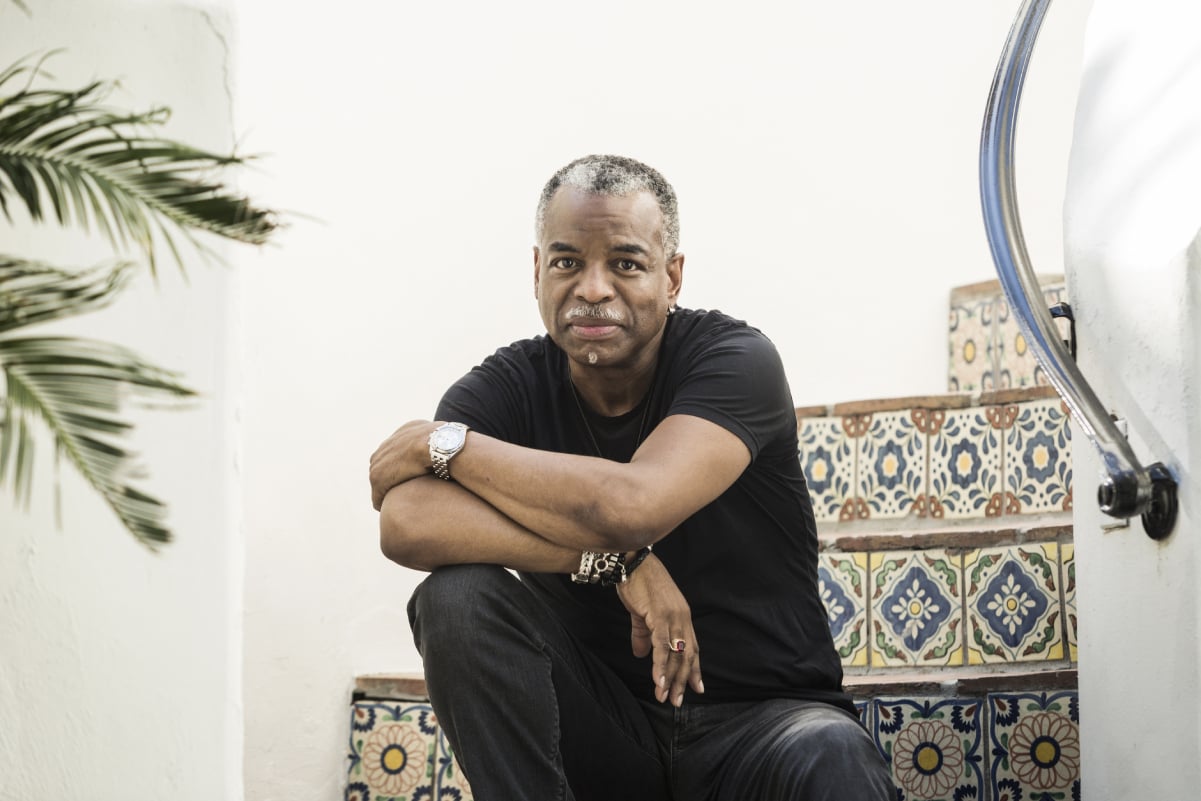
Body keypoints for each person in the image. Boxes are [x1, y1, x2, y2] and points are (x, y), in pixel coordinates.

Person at [369, 154, 895, 801]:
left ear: (671, 276)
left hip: (763, 725)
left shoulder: (734, 360)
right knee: (457, 597)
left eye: (624, 262)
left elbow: (632, 505)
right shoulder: (506, 389)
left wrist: (438, 442)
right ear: (537, 271)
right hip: (605, 729)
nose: (592, 287)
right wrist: (612, 565)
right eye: (566, 261)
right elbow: (408, 521)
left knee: (831, 752)